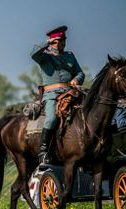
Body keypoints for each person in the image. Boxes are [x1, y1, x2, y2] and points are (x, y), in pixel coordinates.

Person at [31, 25, 85, 165]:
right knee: (52, 119)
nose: (64, 42)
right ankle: (43, 152)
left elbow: (80, 73)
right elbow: (32, 53)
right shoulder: (44, 56)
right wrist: (47, 43)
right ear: (54, 41)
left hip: (72, 92)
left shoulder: (70, 56)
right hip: (52, 94)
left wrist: (76, 79)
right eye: (61, 40)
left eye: (64, 40)